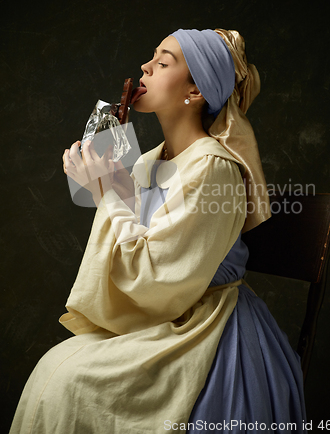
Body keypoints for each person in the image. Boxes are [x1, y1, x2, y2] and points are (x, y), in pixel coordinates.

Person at [10, 29, 306, 433]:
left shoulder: (213, 168)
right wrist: (103, 184)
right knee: (53, 369)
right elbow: (129, 247)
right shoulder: (149, 161)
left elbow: (157, 274)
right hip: (160, 315)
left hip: (205, 326)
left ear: (196, 91)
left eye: (164, 62)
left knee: (68, 381)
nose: (146, 67)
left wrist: (107, 193)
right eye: (152, 58)